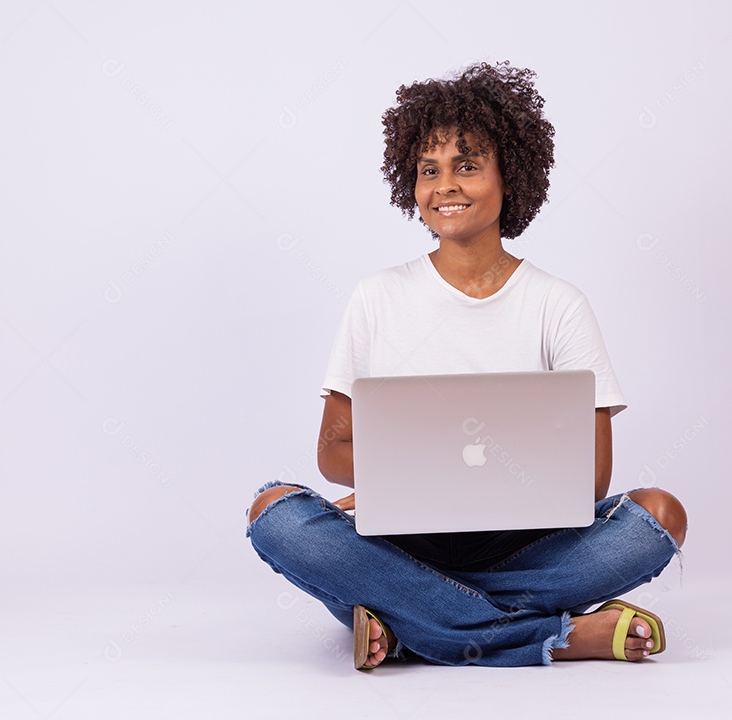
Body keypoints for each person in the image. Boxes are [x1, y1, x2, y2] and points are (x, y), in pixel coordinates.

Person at [246, 61, 687, 670]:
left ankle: (404, 622)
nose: (444, 185)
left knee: (657, 518)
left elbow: (590, 481)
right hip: (400, 542)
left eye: (468, 165)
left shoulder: (558, 305)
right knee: (275, 514)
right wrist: (414, 476)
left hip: (526, 547)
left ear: (512, 177)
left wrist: (479, 485)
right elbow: (332, 452)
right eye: (430, 170)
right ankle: (553, 637)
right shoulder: (376, 296)